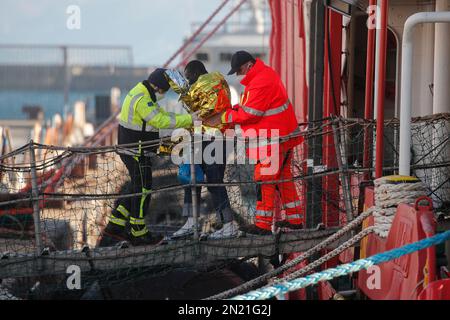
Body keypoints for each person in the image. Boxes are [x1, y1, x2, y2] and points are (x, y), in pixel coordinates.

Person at [205, 51, 304, 235]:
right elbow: (250, 107)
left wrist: (224, 116)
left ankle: (263, 225)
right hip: (281, 137)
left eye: (239, 70)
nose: (238, 75)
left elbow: (251, 114)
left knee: (264, 179)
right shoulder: (262, 76)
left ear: (249, 65)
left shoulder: (259, 82)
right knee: (283, 179)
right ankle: (295, 219)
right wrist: (233, 110)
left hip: (274, 140)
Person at [101, 68, 199, 246]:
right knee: (143, 188)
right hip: (135, 151)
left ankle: (116, 224)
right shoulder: (143, 99)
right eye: (164, 91)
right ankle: (137, 230)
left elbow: (161, 116)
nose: (164, 94)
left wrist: (184, 119)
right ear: (158, 87)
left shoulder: (142, 91)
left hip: (134, 149)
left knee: (135, 186)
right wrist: (190, 120)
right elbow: (159, 121)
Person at [172, 60, 239, 240]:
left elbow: (194, 112)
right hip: (224, 136)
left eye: (189, 78)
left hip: (210, 138)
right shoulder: (219, 80)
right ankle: (214, 223)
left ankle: (221, 224)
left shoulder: (199, 86)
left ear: (195, 74)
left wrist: (181, 91)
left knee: (206, 180)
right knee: (205, 179)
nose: (189, 82)